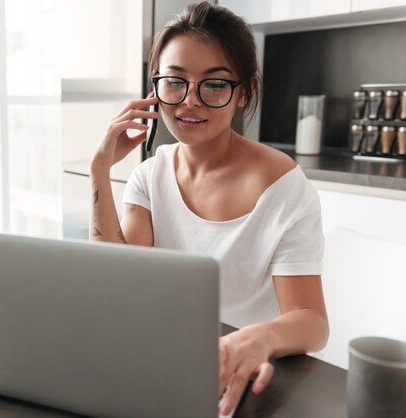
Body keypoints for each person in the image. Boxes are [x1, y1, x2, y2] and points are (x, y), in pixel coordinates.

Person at [89, 2, 329, 415]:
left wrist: (258, 338)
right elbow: (117, 278)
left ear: (245, 92)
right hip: (167, 364)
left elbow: (311, 320)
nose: (189, 103)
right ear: (155, 88)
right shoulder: (150, 174)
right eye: (174, 82)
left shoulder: (283, 187)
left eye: (214, 84)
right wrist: (100, 169)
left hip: (249, 376)